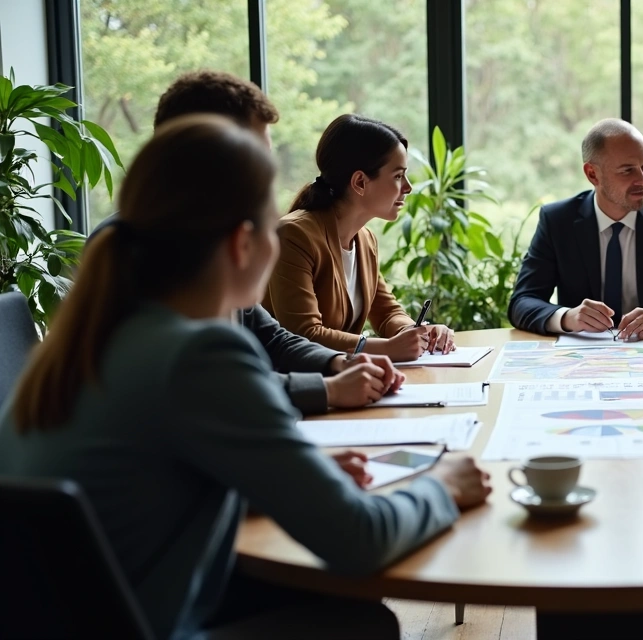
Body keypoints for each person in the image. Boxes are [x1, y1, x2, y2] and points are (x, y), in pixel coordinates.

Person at [0, 115, 492, 639]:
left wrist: (295, 479)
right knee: (360, 624)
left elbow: (150, 480)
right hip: (153, 622)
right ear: (243, 243)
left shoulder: (95, 335)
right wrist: (442, 486)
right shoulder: (199, 353)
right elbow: (360, 540)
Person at [93, 70, 403, 416]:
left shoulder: (207, 237)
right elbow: (209, 386)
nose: (266, 172)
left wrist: (336, 364)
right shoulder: (138, 249)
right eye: (255, 155)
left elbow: (270, 336)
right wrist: (327, 388)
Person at [264, 114, 455, 361]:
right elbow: (303, 335)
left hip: (341, 381)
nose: (408, 187)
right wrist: (385, 348)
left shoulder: (364, 240)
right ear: (360, 182)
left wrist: (417, 333)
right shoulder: (293, 236)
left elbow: (387, 313)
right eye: (398, 176)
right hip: (292, 386)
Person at [508, 118, 643, 339]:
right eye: (627, 171)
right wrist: (568, 317)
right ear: (592, 174)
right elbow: (522, 301)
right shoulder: (558, 221)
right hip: (581, 361)